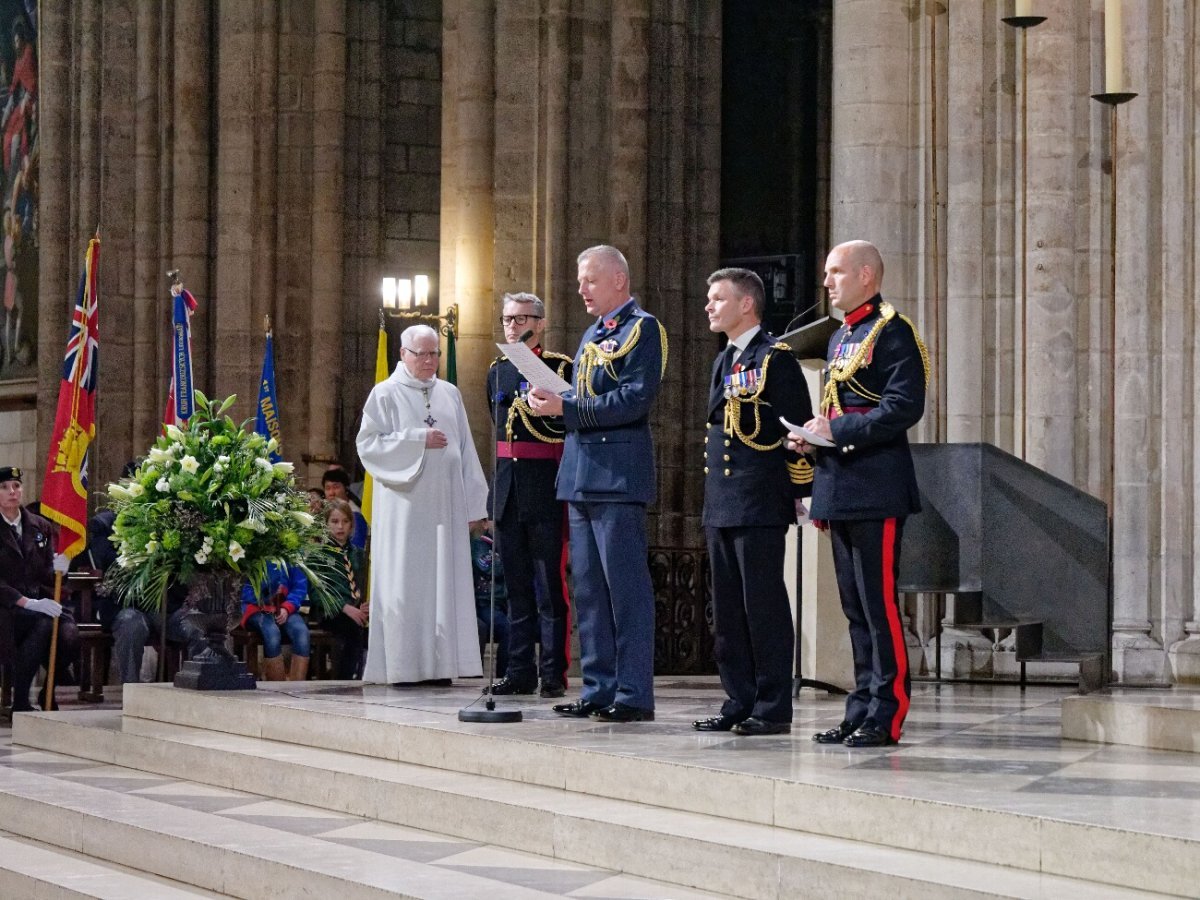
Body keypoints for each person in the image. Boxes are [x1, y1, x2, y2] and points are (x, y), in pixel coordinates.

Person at [787, 240, 928, 748]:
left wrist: (839, 429)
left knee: (879, 606)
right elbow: (836, 404)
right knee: (853, 608)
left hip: (876, 485)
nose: (827, 281)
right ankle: (861, 706)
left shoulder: (893, 330)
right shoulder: (842, 335)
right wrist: (812, 436)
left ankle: (886, 714)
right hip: (840, 483)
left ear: (867, 275)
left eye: (836, 272)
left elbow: (904, 406)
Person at [528, 245, 666, 723]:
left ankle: (632, 693)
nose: (581, 288)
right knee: (587, 590)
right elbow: (586, 397)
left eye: (589, 280)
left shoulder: (643, 329)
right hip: (581, 473)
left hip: (618, 476)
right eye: (580, 280)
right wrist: (554, 398)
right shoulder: (593, 333)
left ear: (618, 281)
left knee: (625, 590)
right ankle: (598, 685)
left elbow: (634, 399)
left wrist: (565, 409)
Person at [694, 268, 814, 737]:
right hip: (722, 500)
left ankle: (771, 705)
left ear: (746, 304)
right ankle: (738, 698)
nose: (709, 306)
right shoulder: (724, 359)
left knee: (762, 606)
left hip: (759, 498)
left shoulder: (776, 358)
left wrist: (801, 493)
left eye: (717, 298)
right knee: (726, 611)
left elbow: (797, 431)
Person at [356, 323, 489, 685]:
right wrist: (417, 440)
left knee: (443, 582)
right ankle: (403, 667)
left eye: (435, 354)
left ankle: (441, 667)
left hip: (445, 509)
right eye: (422, 354)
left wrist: (476, 504)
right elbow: (368, 445)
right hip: (405, 510)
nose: (430, 360)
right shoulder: (384, 394)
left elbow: (465, 450)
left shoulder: (449, 393)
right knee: (407, 582)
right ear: (403, 354)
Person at [485, 291, 573, 699]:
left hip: (544, 489)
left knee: (549, 589)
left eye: (521, 319)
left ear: (540, 323)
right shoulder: (496, 371)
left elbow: (564, 426)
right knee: (516, 588)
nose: (513, 326)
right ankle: (519, 670)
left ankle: (553, 672)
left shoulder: (558, 367)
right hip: (508, 491)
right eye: (507, 319)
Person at [0, 465, 79, 712]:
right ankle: (21, 701)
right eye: (4, 487)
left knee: (69, 636)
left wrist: (60, 568)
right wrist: (25, 602)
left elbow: (45, 573)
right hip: (7, 607)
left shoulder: (40, 526)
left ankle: (48, 690)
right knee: (43, 623)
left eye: (16, 486)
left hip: (41, 601)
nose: (12, 492)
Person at [312, 499, 368, 680]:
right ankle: (344, 679)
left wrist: (366, 604)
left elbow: (364, 584)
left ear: (351, 525)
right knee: (351, 629)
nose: (340, 527)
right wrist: (344, 607)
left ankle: (365, 675)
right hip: (330, 611)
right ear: (326, 524)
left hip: (357, 610)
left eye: (345, 521)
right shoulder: (319, 555)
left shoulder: (358, 554)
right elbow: (317, 592)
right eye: (334, 522)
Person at [240, 562, 311, 681]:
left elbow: (299, 586)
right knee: (272, 633)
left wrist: (287, 607)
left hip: (285, 608)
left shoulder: (290, 556)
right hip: (255, 608)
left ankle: (298, 688)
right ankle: (277, 687)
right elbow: (243, 589)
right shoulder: (253, 554)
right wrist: (268, 594)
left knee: (301, 633)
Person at [321, 468, 367, 549]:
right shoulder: (325, 512)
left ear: (346, 489)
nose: (331, 493)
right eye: (328, 488)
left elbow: (357, 549)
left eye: (336, 487)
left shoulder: (355, 514)